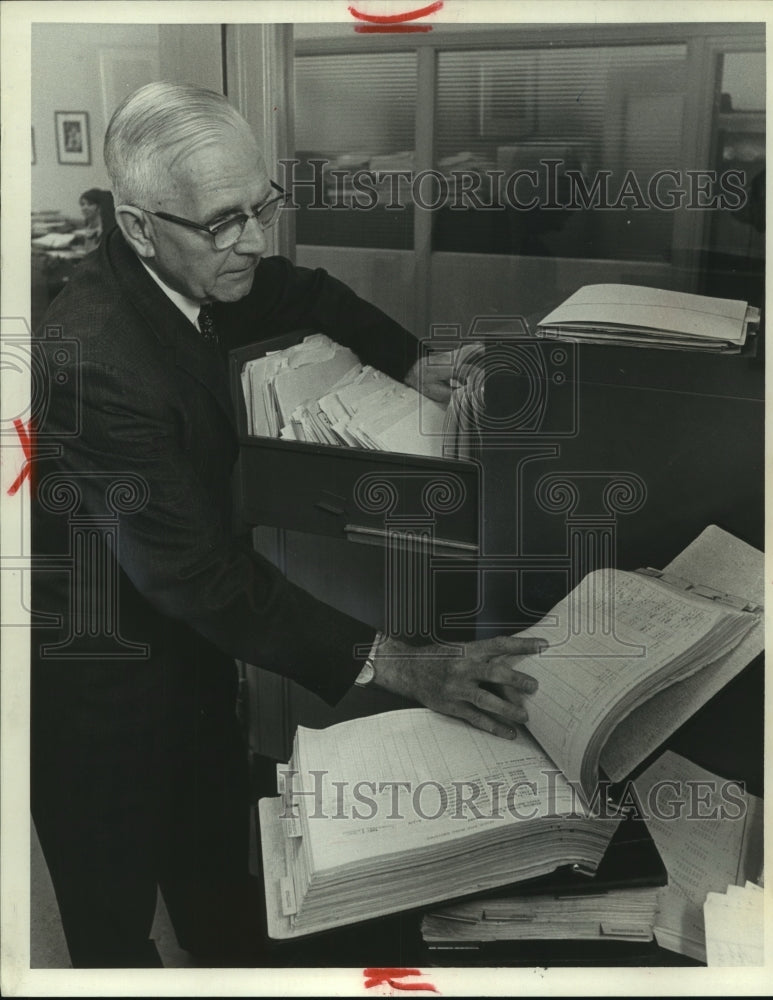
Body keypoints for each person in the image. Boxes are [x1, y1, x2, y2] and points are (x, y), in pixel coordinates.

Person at [31, 81, 545, 969]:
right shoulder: (97, 358)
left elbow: (305, 291)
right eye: (224, 221)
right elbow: (198, 578)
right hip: (97, 690)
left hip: (189, 656)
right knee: (113, 933)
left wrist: (413, 359)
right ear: (138, 224)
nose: (254, 240)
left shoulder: (195, 264)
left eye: (260, 206)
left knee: (223, 892)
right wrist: (404, 662)